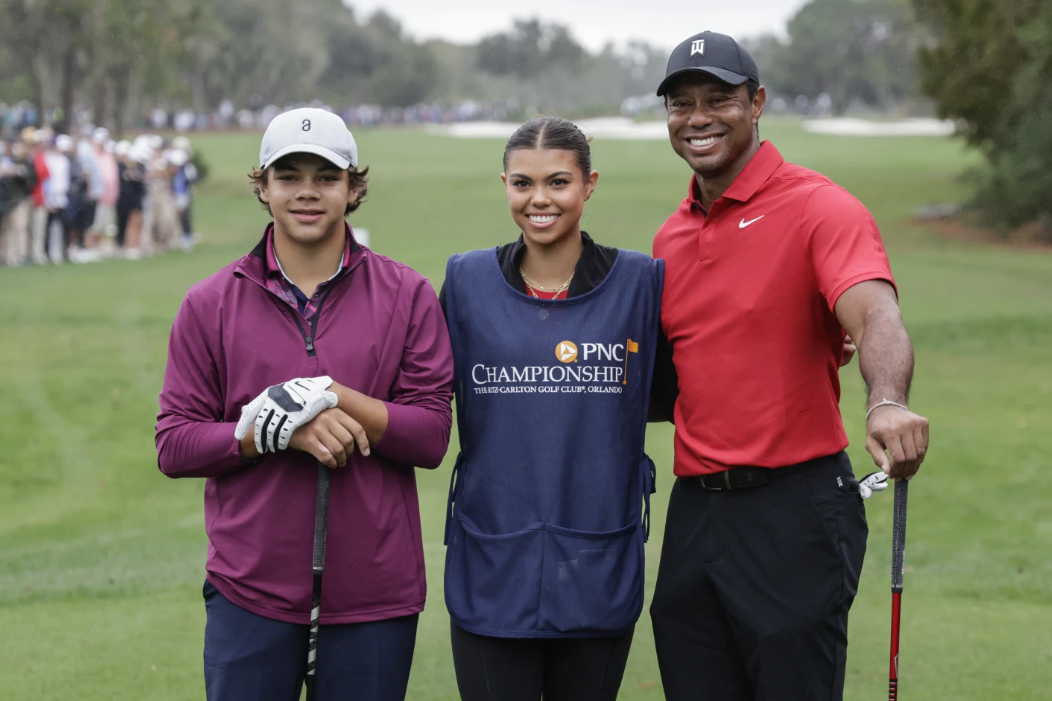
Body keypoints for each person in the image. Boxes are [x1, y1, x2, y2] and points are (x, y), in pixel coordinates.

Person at [646, 32, 930, 701]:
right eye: (681, 103)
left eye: (719, 99)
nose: (698, 117)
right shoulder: (671, 236)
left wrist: (886, 398)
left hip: (794, 509)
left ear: (757, 102)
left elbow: (875, 313)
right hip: (695, 514)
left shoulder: (819, 207)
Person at [155, 107, 453, 701]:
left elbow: (430, 437)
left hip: (374, 593)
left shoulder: (408, 294)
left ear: (353, 187)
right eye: (289, 176)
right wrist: (270, 431)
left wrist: (332, 395)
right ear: (263, 187)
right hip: (251, 591)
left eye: (326, 176)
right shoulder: (210, 302)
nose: (308, 192)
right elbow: (174, 444)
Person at [440, 117, 663, 701]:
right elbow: (416, 387)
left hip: (598, 563)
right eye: (522, 183)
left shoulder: (641, 282)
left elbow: (694, 382)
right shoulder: (465, 281)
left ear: (589, 185)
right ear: (505, 185)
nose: (539, 199)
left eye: (558, 182)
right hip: (492, 564)